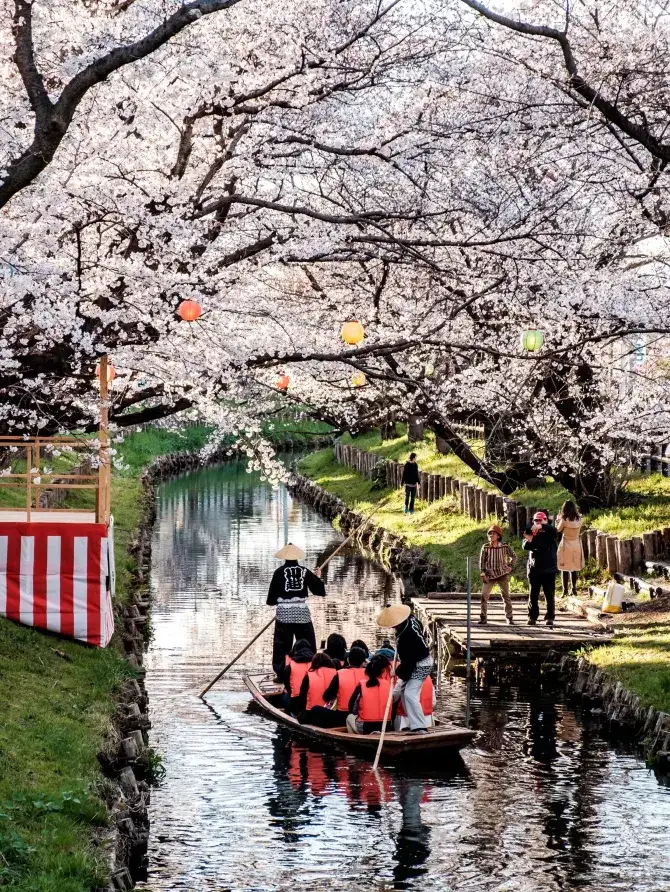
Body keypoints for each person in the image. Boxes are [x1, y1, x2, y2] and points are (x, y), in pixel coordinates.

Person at [267, 543, 326, 678]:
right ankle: (309, 671)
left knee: (282, 645)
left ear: (285, 558)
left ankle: (282, 673)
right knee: (306, 643)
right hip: (302, 613)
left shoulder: (279, 573)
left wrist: (280, 602)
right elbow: (319, 591)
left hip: (284, 614)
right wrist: (317, 577)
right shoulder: (305, 571)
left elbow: (271, 600)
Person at [379, 604, 432, 733]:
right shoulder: (412, 619)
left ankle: (420, 726)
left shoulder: (406, 638)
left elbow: (409, 663)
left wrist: (396, 672)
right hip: (417, 661)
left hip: (422, 664)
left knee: (410, 693)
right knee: (403, 691)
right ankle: (414, 724)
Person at [309, 646, 368, 728]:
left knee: (315, 709)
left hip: (342, 717)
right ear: (363, 662)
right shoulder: (369, 674)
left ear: (348, 660)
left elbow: (327, 696)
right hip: (364, 716)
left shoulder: (340, 674)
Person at [522, 511, 558, 628]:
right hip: (534, 568)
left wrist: (542, 526)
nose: (538, 523)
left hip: (549, 569)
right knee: (533, 594)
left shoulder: (550, 532)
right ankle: (532, 616)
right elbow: (525, 544)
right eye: (536, 521)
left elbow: (554, 531)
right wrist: (531, 538)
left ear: (546, 520)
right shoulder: (531, 532)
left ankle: (550, 617)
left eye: (541, 520)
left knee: (549, 594)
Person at [478, 524, 518, 625]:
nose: (491, 535)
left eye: (493, 534)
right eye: (489, 534)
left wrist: (510, 566)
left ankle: (509, 617)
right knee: (484, 595)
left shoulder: (505, 546)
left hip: (502, 574)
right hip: (489, 574)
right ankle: (483, 617)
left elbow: (514, 556)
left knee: (506, 596)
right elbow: (482, 561)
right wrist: (483, 572)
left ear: (498, 536)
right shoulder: (486, 547)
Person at [346, 654, 392, 734]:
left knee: (349, 717)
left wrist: (358, 713)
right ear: (381, 671)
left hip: (366, 727)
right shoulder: (389, 685)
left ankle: (356, 741)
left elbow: (352, 707)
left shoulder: (362, 685)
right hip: (385, 726)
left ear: (366, 672)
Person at [296, 653, 337, 722]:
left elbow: (302, 697)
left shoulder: (308, 676)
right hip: (331, 712)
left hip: (312, 713)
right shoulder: (336, 673)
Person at [556, 500, 584, 598]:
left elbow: (558, 529)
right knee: (574, 568)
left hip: (566, 544)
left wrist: (557, 520)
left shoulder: (564, 519)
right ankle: (574, 589)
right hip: (576, 544)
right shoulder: (579, 518)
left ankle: (565, 591)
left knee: (564, 568)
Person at [283, 638, 315, 715]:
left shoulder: (289, 666)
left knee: (284, 696)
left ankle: (291, 713)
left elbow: (288, 687)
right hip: (315, 702)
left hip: (297, 703)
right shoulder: (318, 662)